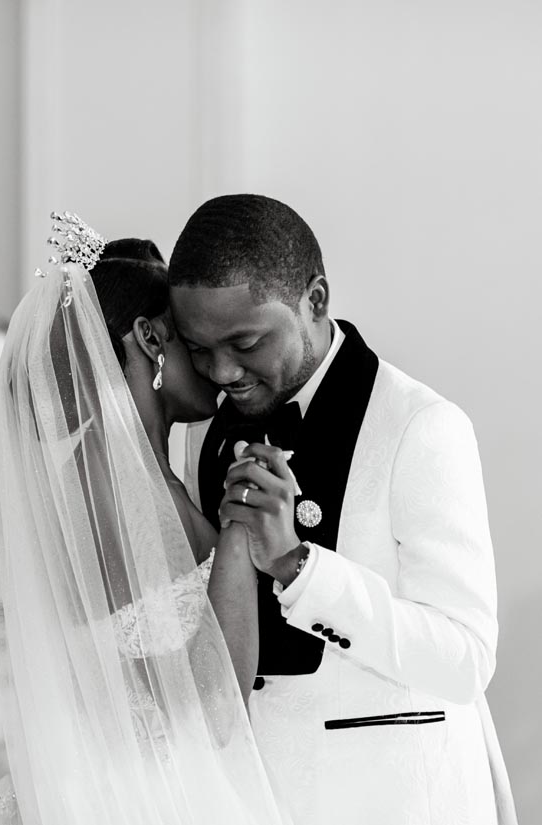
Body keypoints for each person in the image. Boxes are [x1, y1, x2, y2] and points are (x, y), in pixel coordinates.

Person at [169, 194, 518, 825]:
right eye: (198, 348)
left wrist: (299, 567)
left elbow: (465, 659)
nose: (221, 370)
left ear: (316, 300)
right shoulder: (204, 431)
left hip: (389, 802)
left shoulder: (421, 427)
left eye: (244, 341)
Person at [0, 213, 292, 824]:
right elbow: (212, 708)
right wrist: (239, 534)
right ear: (150, 340)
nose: (216, 367)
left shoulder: (145, 475)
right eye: (193, 342)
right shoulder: (101, 487)